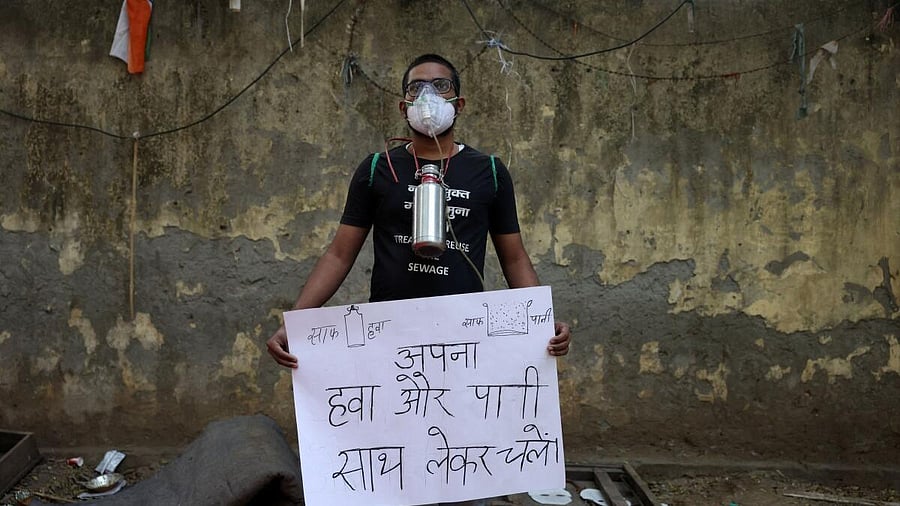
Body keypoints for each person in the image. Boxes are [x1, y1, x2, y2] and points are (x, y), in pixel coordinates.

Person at [266, 53, 571, 504]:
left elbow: (515, 257)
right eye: (416, 87)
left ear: (460, 103)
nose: (427, 96)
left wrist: (542, 320)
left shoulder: (489, 173)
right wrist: (296, 320)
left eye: (440, 87)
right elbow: (338, 254)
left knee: (459, 461)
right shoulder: (377, 170)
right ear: (402, 105)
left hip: (464, 346)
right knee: (393, 463)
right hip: (392, 343)